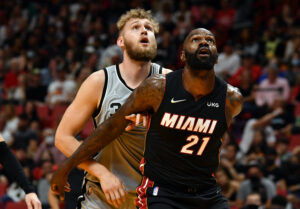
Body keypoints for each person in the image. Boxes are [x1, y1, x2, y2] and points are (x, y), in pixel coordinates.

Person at [51, 28, 243, 209]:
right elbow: (109, 128)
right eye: (196, 40)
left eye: (210, 41)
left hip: (206, 191)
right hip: (163, 192)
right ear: (183, 55)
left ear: (217, 56)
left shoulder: (232, 100)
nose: (204, 43)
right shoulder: (157, 88)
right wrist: (66, 167)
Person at [54, 8, 170, 209]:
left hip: (153, 195)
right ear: (120, 42)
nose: (144, 31)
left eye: (149, 29)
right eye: (135, 27)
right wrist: (101, 172)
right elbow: (62, 137)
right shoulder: (99, 81)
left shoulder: (170, 81)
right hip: (102, 193)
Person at [0, 134, 41, 209]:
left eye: (23, 151)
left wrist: (29, 190)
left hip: (21, 188)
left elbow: (4, 152)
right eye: (19, 151)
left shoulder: (29, 162)